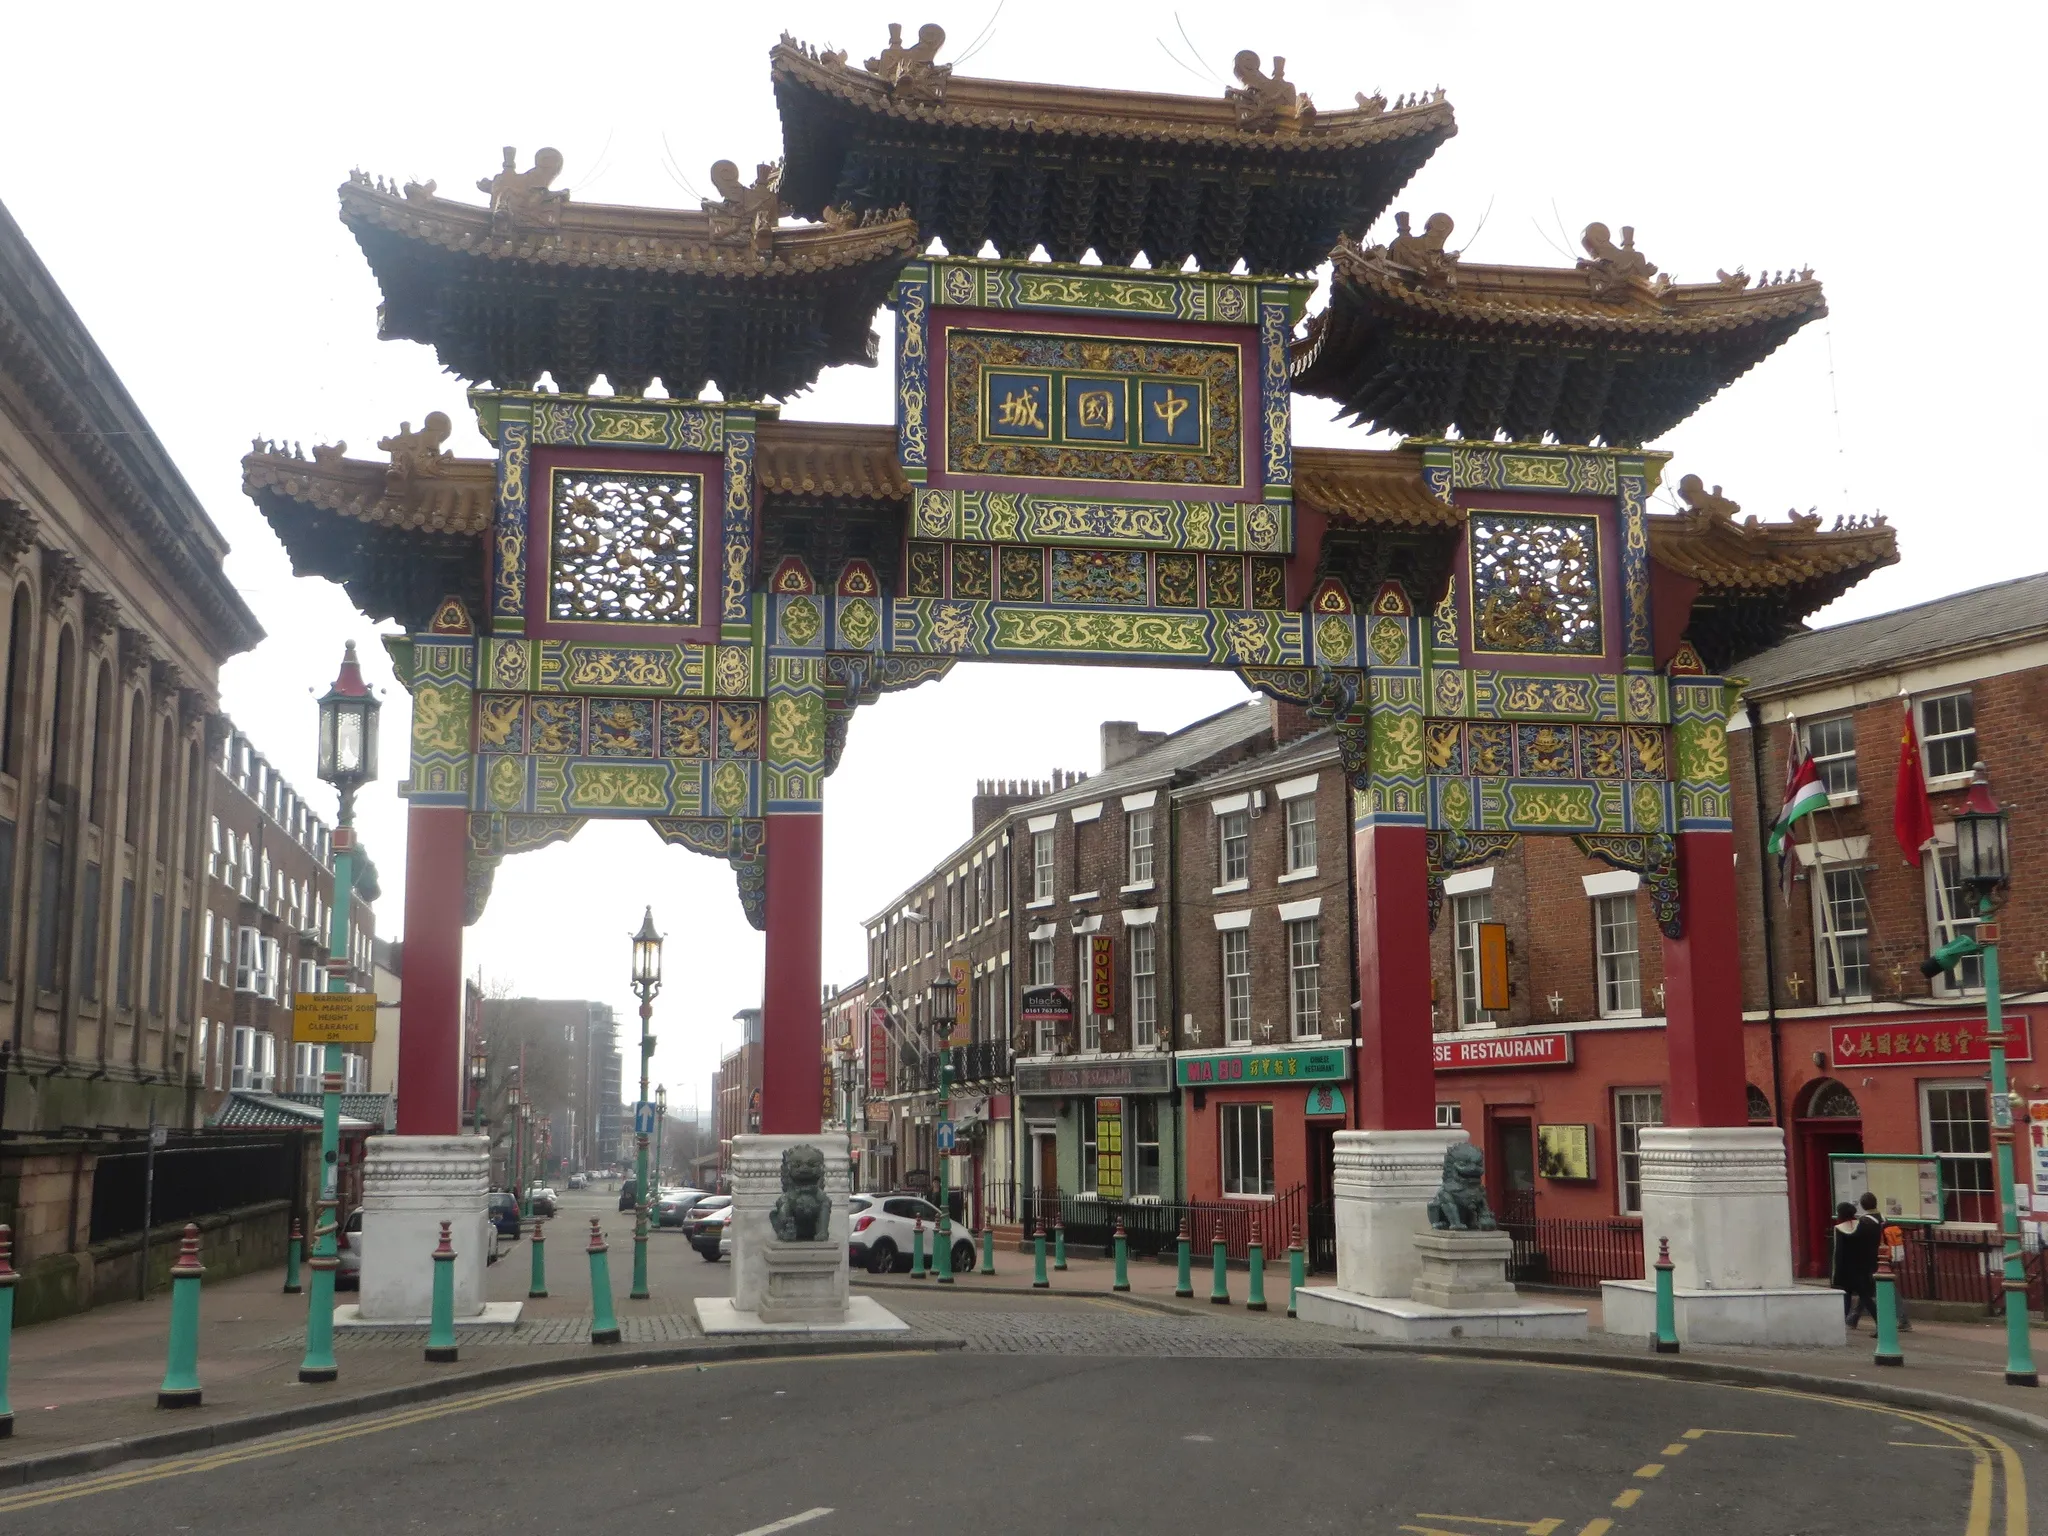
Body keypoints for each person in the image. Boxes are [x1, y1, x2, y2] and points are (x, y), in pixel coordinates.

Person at [1864, 1191, 1912, 1331]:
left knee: (1885, 1288)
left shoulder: (1865, 1221)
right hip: (1887, 1257)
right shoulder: (1884, 1218)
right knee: (1867, 1289)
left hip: (1874, 1260)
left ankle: (1902, 1319)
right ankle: (1853, 1317)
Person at [1832, 1200, 1880, 1328]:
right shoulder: (1863, 1225)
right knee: (1866, 1298)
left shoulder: (1839, 1229)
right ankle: (1879, 1323)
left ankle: (1840, 1325)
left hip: (1846, 1270)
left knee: (1846, 1298)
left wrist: (1835, 1276)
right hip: (1862, 1269)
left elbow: (1838, 1253)